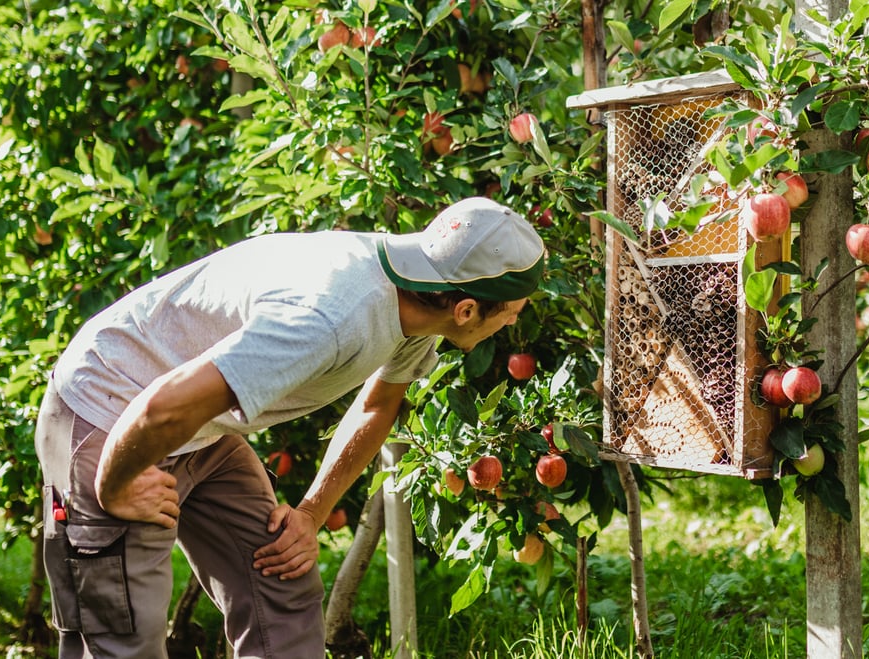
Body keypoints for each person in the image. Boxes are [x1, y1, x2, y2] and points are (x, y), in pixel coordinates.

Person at [34, 197, 546, 658]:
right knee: (123, 637)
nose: (514, 323)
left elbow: (377, 405)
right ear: (467, 309)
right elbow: (161, 407)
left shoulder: (420, 299)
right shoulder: (328, 317)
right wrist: (114, 484)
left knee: (279, 580)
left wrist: (310, 513)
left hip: (201, 427)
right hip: (111, 411)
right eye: (513, 312)